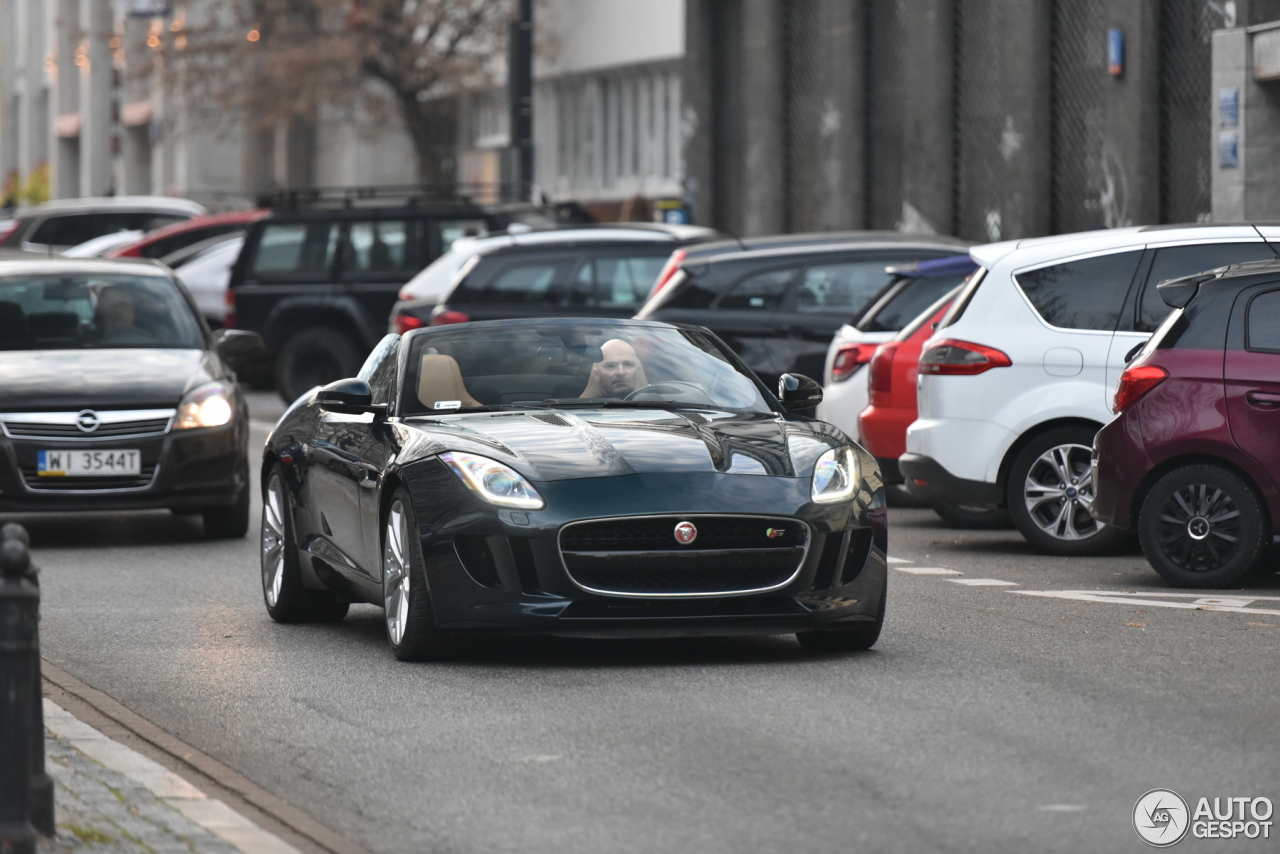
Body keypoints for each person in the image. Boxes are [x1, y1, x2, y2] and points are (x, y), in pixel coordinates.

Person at [580, 338, 649, 398]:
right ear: (597, 374)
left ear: (637, 371)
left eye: (628, 365)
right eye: (610, 366)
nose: (621, 372)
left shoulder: (657, 406)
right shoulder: (580, 410)